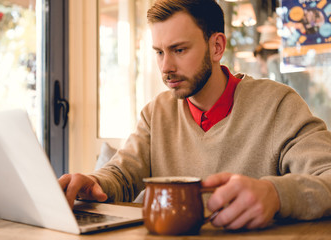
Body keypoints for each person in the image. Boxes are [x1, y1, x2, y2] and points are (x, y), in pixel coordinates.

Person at [59, 0, 331, 230]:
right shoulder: (157, 113)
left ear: (216, 47)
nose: (166, 67)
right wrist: (93, 182)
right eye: (159, 52)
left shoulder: (278, 104)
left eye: (179, 50)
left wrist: (277, 195)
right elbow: (121, 173)